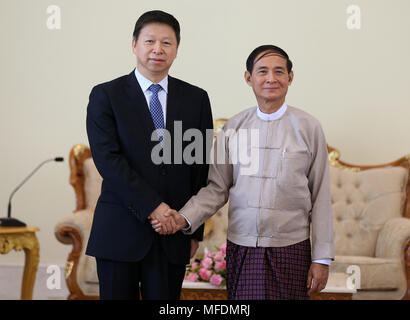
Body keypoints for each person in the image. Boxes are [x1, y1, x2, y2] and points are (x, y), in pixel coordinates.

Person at [151, 45, 334, 300]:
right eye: (262, 71)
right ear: (249, 78)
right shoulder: (234, 128)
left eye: (279, 71)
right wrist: (183, 218)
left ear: (290, 78)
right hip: (244, 247)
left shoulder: (308, 127)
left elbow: (321, 195)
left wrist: (322, 257)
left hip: (291, 247)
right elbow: (216, 189)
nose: (271, 78)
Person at [85, 10, 213, 300]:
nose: (158, 49)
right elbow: (109, 162)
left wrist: (193, 231)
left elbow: (199, 167)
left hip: (172, 235)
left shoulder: (196, 99)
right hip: (120, 231)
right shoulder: (106, 95)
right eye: (150, 41)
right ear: (134, 45)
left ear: (177, 49)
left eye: (167, 43)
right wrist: (154, 207)